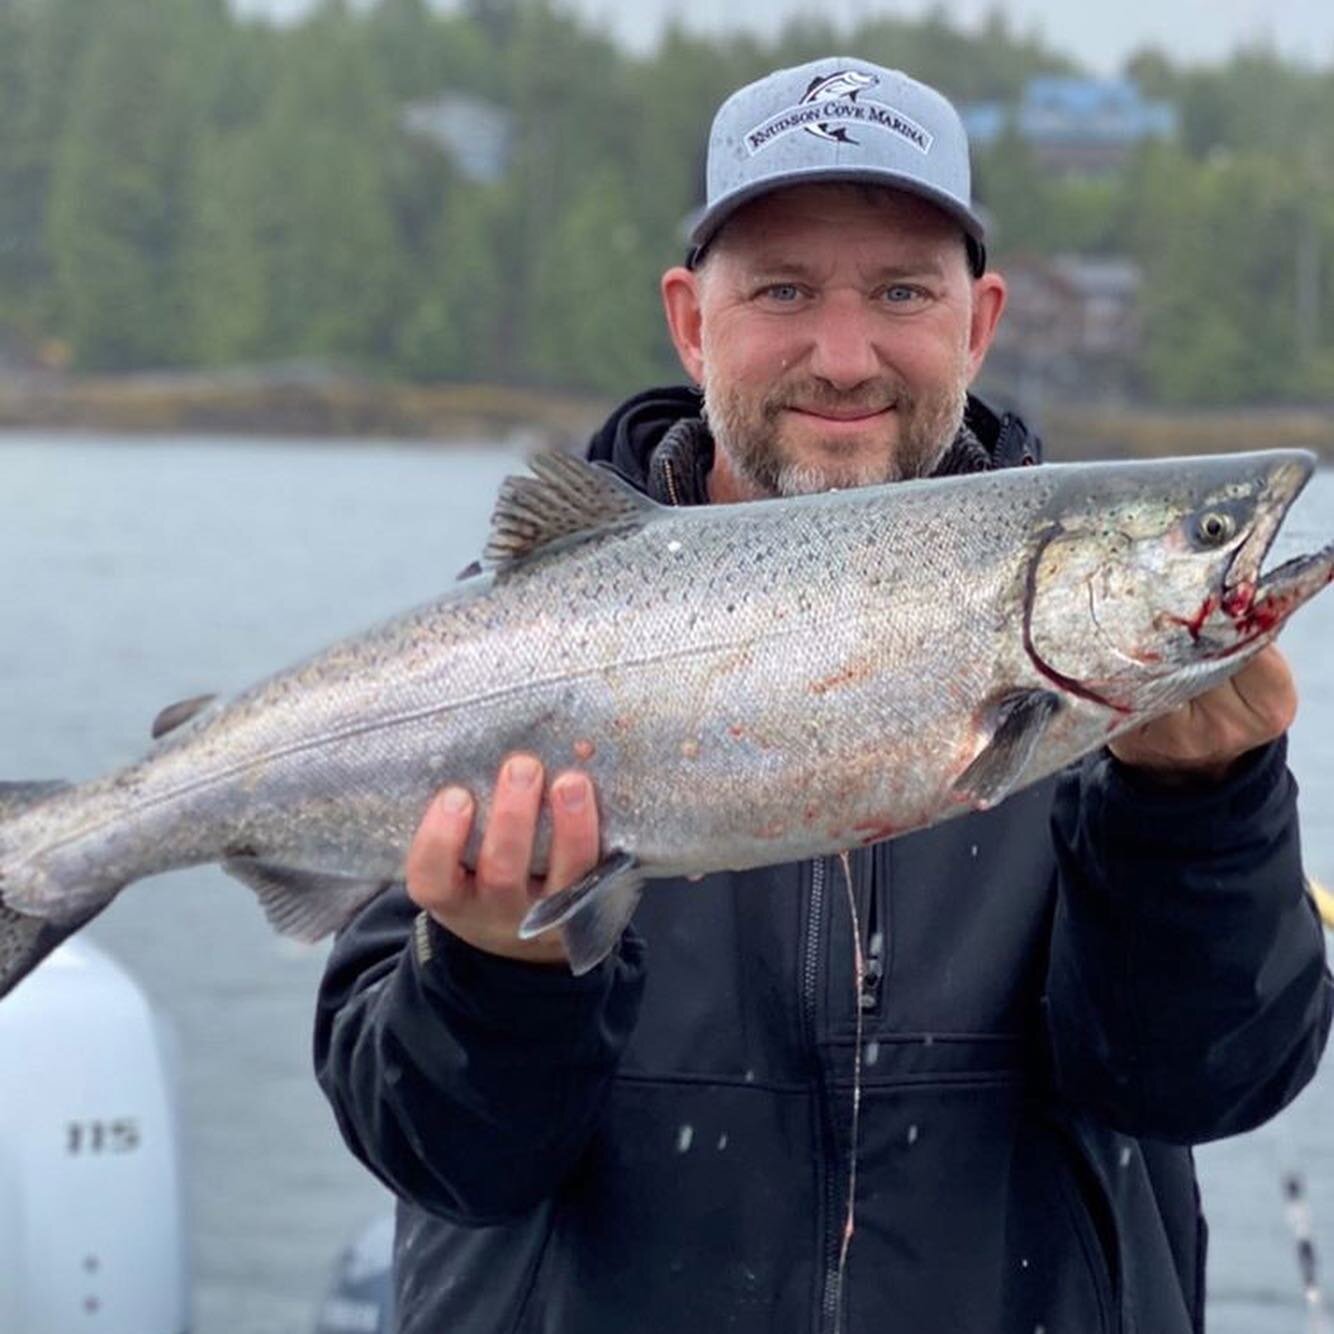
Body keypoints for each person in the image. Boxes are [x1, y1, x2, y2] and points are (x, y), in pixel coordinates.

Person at [314, 58, 1332, 1333]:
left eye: (900, 291)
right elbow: (440, 1151)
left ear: (978, 320)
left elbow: (1198, 1082)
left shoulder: (1106, 670)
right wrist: (495, 967)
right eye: (783, 289)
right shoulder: (503, 661)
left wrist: (1199, 813)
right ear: (692, 321)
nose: (842, 356)